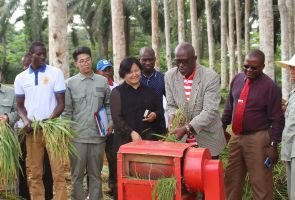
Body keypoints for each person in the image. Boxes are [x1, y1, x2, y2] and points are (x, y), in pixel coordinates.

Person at [222, 49, 285, 200]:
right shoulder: (237, 79)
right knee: (231, 181)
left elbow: (277, 119)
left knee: (261, 185)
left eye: (253, 68)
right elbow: (230, 105)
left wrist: (273, 145)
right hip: (236, 138)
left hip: (257, 139)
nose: (249, 70)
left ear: (262, 66)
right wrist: (222, 126)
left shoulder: (270, 88)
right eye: (246, 66)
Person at [14, 41, 67, 200]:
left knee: (58, 172)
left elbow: (61, 103)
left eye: (44, 53)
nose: (43, 56)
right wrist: (26, 121)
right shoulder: (21, 78)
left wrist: (49, 121)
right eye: (39, 53)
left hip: (52, 129)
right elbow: (20, 106)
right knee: (35, 172)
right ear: (30, 55)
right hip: (32, 131)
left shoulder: (55, 73)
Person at [110, 57, 165, 199]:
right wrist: (132, 133)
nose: (134, 74)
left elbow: (160, 110)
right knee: (125, 178)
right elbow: (117, 119)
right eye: (129, 72)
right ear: (123, 74)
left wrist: (155, 115)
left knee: (146, 177)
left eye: (136, 70)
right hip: (125, 143)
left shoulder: (150, 91)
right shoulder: (117, 92)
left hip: (148, 142)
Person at [63, 47, 113, 200]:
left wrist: (110, 122)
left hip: (98, 136)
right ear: (76, 64)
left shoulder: (103, 81)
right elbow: (67, 111)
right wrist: (67, 133)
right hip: (77, 137)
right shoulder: (70, 84)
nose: (85, 63)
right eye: (81, 61)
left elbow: (108, 104)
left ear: (92, 60)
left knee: (95, 175)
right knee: (76, 175)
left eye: (88, 60)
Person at [165, 42, 226, 158]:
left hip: (208, 138)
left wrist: (187, 128)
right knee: (185, 174)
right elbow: (171, 104)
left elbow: (210, 111)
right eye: (178, 61)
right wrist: (173, 118)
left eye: (185, 61)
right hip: (182, 140)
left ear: (195, 59)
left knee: (207, 174)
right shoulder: (169, 76)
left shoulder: (210, 77)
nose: (181, 65)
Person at [17, 53, 54, 200]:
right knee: (22, 162)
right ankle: (24, 194)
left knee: (46, 162)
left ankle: (48, 195)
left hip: (42, 128)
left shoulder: (44, 81)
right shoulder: (20, 80)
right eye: (25, 66)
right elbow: (18, 106)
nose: (27, 69)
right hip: (23, 129)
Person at [96, 59, 117, 196]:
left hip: (112, 129)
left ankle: (113, 186)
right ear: (98, 71)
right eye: (104, 70)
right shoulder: (94, 85)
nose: (106, 73)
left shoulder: (116, 87)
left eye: (108, 69)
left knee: (112, 159)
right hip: (96, 130)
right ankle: (93, 189)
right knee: (94, 160)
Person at [277, 54, 295, 200]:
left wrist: (285, 151)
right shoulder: (292, 93)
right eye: (291, 69)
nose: (291, 72)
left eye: (294, 69)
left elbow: (291, 126)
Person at [139, 47, 167, 131]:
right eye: (144, 60)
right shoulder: (135, 78)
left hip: (159, 127)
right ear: (139, 59)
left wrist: (156, 114)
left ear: (155, 59)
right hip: (139, 127)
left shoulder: (162, 78)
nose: (148, 63)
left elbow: (171, 103)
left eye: (150, 60)